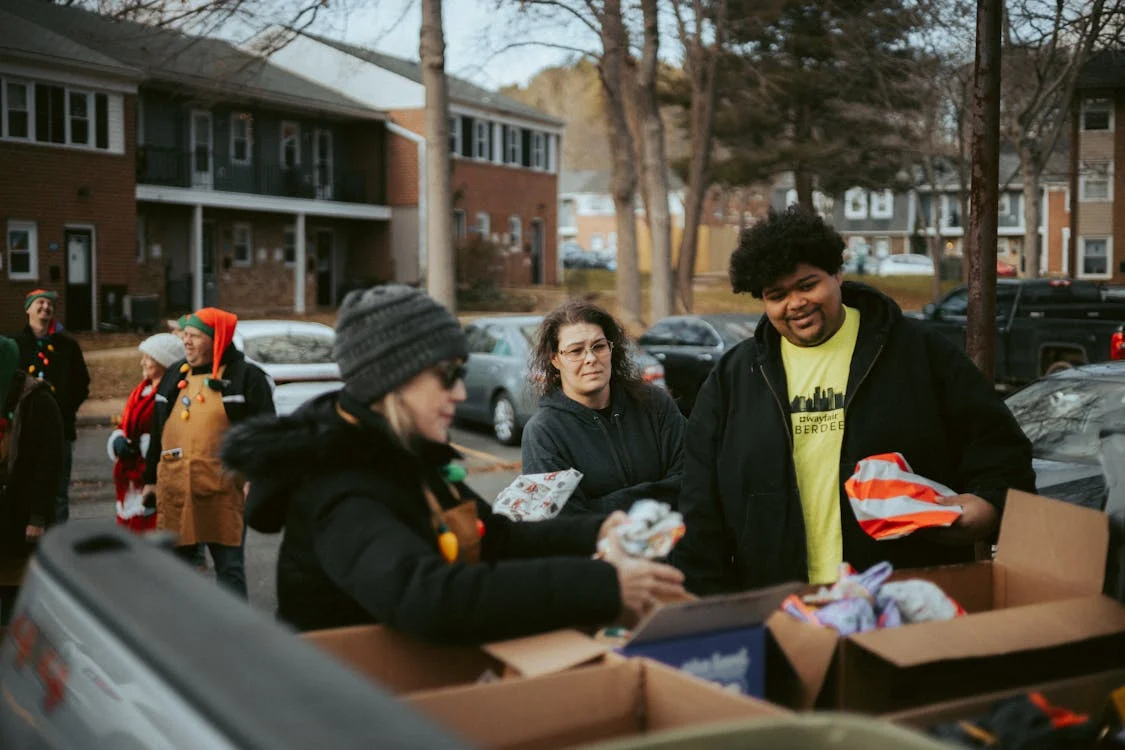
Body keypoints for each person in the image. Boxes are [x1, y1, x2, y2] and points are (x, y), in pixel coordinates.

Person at [221, 285, 686, 640]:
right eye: (446, 376)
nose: (460, 393)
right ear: (392, 381)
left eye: (460, 374)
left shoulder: (407, 453)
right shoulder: (338, 482)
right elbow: (431, 597)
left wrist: (597, 530)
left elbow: (492, 534)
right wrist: (602, 585)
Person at [672, 207, 1037, 594]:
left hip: (902, 596)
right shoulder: (734, 378)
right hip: (779, 602)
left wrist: (988, 506)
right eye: (777, 295)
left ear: (836, 274)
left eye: (807, 284)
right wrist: (706, 600)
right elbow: (700, 502)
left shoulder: (919, 353)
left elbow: (999, 450)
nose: (795, 303)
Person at [142, 308, 274, 598]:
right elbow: (158, 431)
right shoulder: (175, 374)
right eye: (185, 335)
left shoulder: (246, 377)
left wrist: (256, 476)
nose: (186, 342)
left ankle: (233, 634)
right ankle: (186, 632)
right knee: (179, 569)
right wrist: (150, 477)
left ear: (217, 340)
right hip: (177, 487)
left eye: (194, 336)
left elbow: (264, 434)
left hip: (224, 490)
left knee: (229, 568)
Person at [521, 301, 686, 515]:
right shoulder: (543, 433)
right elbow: (564, 520)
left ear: (611, 348)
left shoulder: (654, 403)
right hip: (594, 549)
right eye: (575, 351)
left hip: (673, 543)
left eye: (598, 346)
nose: (590, 358)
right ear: (555, 359)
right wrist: (656, 497)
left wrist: (601, 506)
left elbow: (693, 477)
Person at [0, 336, 63, 625]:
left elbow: (48, 465)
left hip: (20, 516)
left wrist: (37, 517)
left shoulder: (38, 402)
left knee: (17, 598)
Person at [14, 289, 90, 525]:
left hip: (60, 430)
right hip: (22, 429)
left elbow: (81, 384)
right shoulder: (16, 345)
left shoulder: (67, 346)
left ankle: (57, 546)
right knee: (22, 487)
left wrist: (64, 411)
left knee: (58, 493)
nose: (46, 307)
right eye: (40, 302)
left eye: (50, 304)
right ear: (28, 308)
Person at [107, 333, 184, 533]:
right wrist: (118, 441)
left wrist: (144, 447)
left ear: (164, 361)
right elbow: (124, 424)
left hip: (154, 477)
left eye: (148, 357)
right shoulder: (141, 391)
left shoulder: (172, 394)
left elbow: (175, 439)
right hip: (132, 477)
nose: (142, 362)